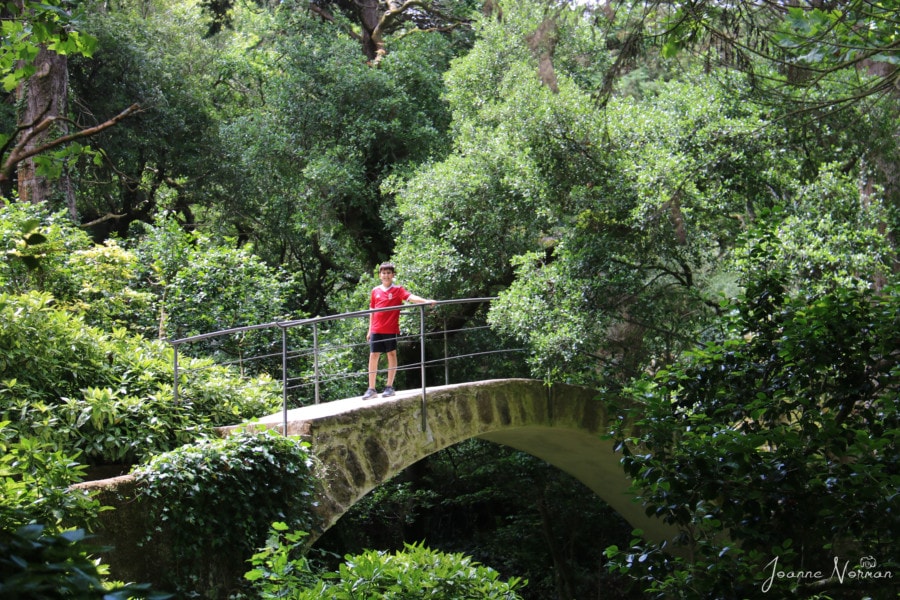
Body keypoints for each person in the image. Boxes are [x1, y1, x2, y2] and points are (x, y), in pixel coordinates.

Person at [363, 262, 435, 399]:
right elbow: (371, 310)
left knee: (391, 354)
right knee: (373, 356)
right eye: (383, 273)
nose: (386, 275)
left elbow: (411, 297)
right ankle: (371, 389)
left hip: (390, 328)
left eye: (389, 273)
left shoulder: (398, 290)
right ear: (380, 275)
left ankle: (389, 387)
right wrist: (369, 329)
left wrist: (425, 301)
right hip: (376, 329)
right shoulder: (375, 291)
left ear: (393, 275)